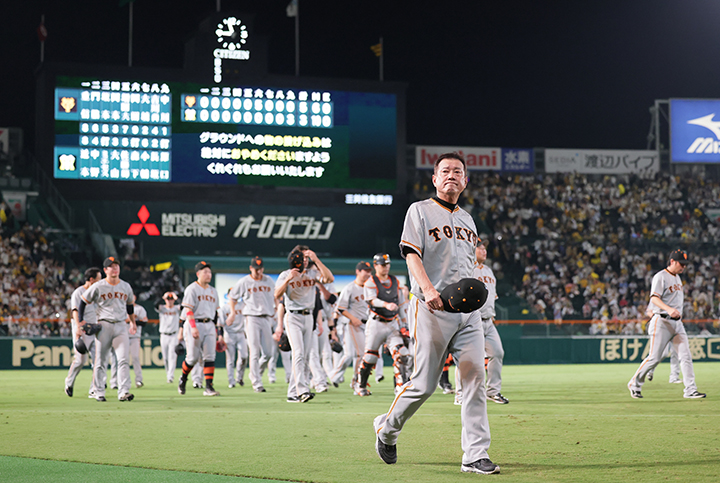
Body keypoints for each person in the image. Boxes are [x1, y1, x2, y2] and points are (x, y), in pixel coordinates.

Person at [373, 153, 499, 475]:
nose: (451, 175)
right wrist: (429, 290)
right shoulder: (420, 211)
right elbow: (412, 255)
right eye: (445, 171)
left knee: (474, 377)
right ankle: (387, 429)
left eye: (458, 171)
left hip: (467, 314)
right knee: (424, 384)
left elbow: (469, 266)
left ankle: (475, 454)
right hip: (431, 307)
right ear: (434, 178)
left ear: (465, 180)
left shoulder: (469, 220)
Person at [628, 249, 706, 399]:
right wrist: (669, 309)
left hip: (677, 324)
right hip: (661, 321)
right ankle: (634, 383)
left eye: (684, 264)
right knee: (654, 358)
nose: (683, 267)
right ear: (672, 262)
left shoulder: (677, 278)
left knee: (686, 355)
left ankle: (690, 390)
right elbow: (654, 299)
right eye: (681, 264)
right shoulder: (660, 276)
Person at [274, 246, 334, 403]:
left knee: (305, 356)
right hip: (293, 317)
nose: (305, 261)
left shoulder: (312, 273)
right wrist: (288, 279)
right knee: (299, 353)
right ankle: (303, 390)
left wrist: (316, 259)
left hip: (309, 317)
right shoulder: (286, 275)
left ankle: (293, 393)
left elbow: (329, 278)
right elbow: (277, 294)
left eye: (307, 258)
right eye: (303, 258)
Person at [79, 257, 137, 402]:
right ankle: (99, 392)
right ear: (105, 270)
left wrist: (133, 323)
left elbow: (130, 306)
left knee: (123, 359)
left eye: (116, 265)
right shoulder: (98, 286)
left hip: (121, 325)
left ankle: (123, 391)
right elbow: (83, 301)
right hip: (103, 325)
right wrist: (81, 321)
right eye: (111, 266)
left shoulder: (125, 286)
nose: (115, 268)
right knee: (100, 360)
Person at [357, 254, 409, 396]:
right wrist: (386, 304)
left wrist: (405, 324)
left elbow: (401, 304)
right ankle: (361, 385)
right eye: (382, 264)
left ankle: (399, 385)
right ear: (375, 265)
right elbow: (371, 300)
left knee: (402, 353)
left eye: (387, 264)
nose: (385, 267)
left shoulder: (395, 280)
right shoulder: (371, 281)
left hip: (392, 324)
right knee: (370, 357)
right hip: (376, 324)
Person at [228, 256, 276, 393]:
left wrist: (278, 307)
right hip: (251, 317)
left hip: (267, 318)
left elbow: (276, 295)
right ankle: (257, 383)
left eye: (260, 269)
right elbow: (232, 297)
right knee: (254, 351)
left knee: (268, 353)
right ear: (251, 268)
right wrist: (232, 312)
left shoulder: (268, 280)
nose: (258, 272)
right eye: (256, 269)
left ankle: (255, 374)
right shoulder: (244, 281)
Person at [177, 261, 223, 397]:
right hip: (194, 323)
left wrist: (217, 331)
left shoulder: (213, 291)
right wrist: (193, 327)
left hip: (209, 324)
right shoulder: (192, 289)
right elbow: (188, 310)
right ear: (198, 274)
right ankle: (183, 379)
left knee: (210, 356)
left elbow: (216, 313)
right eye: (205, 272)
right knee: (192, 358)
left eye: (209, 271)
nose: (208, 274)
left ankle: (209, 387)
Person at [328, 261, 373, 389]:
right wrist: (352, 318)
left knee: (351, 354)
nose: (368, 273)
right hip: (353, 324)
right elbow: (340, 308)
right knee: (359, 354)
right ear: (358, 271)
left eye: (369, 271)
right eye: (365, 271)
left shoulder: (369, 287)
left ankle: (335, 376)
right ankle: (356, 382)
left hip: (367, 324)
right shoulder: (350, 288)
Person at [64, 267, 102, 398]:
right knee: (80, 360)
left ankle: (94, 389)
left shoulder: (97, 293)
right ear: (91, 280)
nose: (100, 281)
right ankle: (69, 382)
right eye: (98, 279)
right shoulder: (78, 292)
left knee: (98, 361)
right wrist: (78, 327)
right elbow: (74, 311)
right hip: (82, 329)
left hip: (95, 329)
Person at [644, 302, 681, 384]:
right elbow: (649, 311)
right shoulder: (658, 297)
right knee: (662, 353)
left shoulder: (673, 297)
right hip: (661, 326)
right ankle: (650, 369)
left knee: (675, 352)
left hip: (674, 324)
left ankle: (674, 377)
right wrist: (655, 317)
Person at [219, 291, 248, 388]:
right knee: (230, 359)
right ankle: (231, 381)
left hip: (240, 333)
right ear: (227, 296)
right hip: (229, 334)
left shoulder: (242, 305)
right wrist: (220, 336)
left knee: (244, 356)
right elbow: (220, 324)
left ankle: (239, 377)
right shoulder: (224, 308)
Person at [156, 291, 181, 383]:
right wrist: (163, 297)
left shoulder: (176, 308)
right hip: (164, 335)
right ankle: (168, 373)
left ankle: (170, 376)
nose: (170, 301)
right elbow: (155, 304)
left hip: (174, 334)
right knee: (165, 357)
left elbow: (183, 305)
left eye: (171, 299)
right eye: (168, 299)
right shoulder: (162, 308)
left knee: (172, 356)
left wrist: (176, 297)